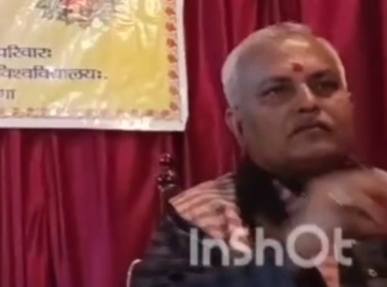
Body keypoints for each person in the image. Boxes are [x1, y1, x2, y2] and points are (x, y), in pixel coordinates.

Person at [131, 23, 387, 286]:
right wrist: (295, 250)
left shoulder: (381, 194)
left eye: (325, 85)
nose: (308, 102)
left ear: (350, 105)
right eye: (276, 91)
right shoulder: (204, 213)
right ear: (238, 125)